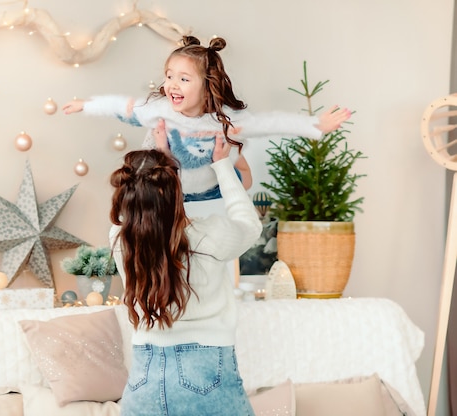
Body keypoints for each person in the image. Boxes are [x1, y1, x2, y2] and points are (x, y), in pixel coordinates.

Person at [64, 35, 350, 202]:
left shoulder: (224, 121)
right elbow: (124, 107)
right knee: (150, 169)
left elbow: (270, 123)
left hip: (209, 192)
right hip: (173, 195)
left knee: (235, 169)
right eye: (169, 76)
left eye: (184, 79)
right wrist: (86, 104)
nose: (171, 85)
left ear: (207, 84)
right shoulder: (161, 111)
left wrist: (316, 126)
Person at [108, 128, 262, 415]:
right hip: (207, 372)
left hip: (144, 381)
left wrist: (161, 162)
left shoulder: (119, 240)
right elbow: (250, 225)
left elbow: (152, 209)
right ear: (175, 189)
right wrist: (221, 164)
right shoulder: (208, 235)